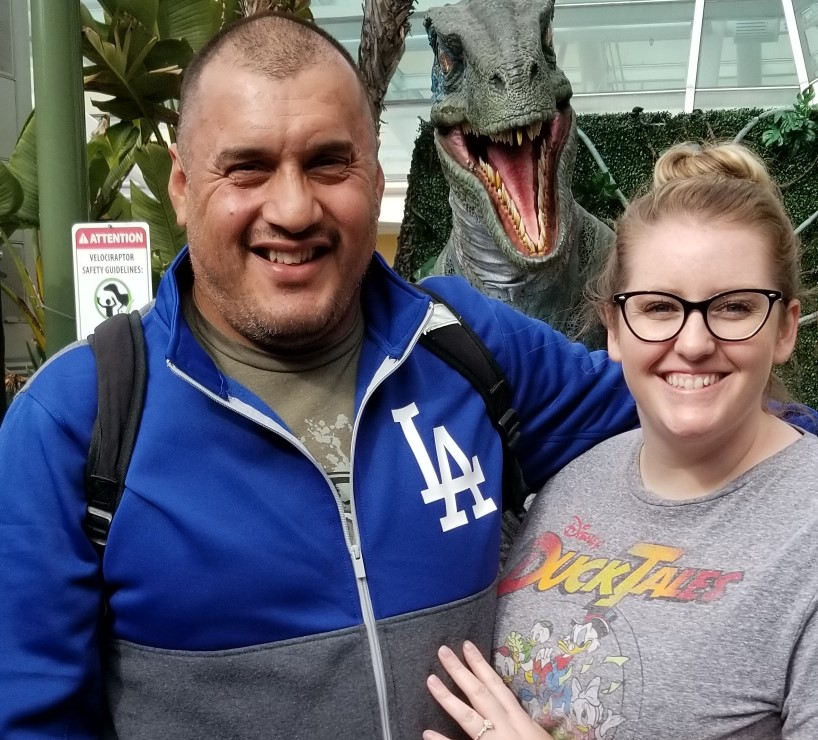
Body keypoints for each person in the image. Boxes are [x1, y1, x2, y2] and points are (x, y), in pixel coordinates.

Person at [0, 12, 640, 739]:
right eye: (247, 168)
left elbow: (689, 418)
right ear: (182, 185)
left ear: (376, 176)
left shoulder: (464, 344)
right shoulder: (79, 422)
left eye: (329, 163)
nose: (295, 208)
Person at [424, 142, 818, 740]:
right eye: (659, 307)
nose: (692, 343)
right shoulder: (572, 483)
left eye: (735, 308)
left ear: (785, 329)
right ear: (614, 327)